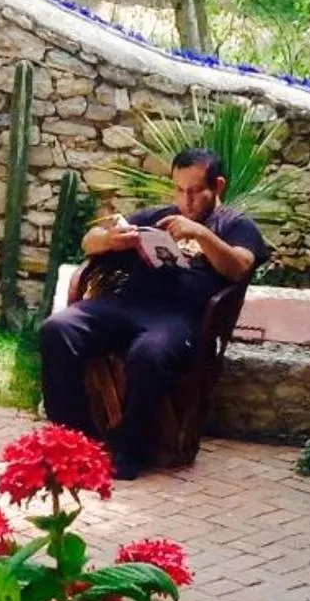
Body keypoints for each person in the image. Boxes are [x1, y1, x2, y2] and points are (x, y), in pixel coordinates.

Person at [36, 147, 269, 479]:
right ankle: (74, 440)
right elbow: (90, 240)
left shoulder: (235, 225)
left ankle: (132, 452)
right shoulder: (157, 215)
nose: (184, 200)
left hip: (179, 318)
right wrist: (109, 240)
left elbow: (240, 267)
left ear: (217, 186)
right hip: (126, 304)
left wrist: (201, 234)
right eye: (178, 189)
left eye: (194, 191)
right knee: (57, 329)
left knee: (150, 353)